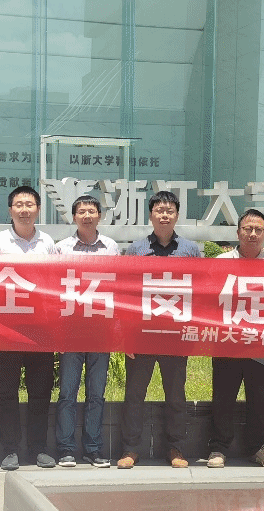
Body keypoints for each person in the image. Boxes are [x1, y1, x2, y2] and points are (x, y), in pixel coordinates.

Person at [118, 190, 204, 469]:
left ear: (177, 215)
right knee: (134, 394)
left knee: (176, 395)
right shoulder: (136, 249)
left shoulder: (190, 250)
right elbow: (125, 293)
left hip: (176, 334)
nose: (164, 215)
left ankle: (176, 448)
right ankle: (130, 448)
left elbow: (201, 292)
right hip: (141, 334)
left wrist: (194, 332)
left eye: (169, 211)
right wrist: (126, 336)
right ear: (151, 215)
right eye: (159, 210)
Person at [0, 185, 57, 470]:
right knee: (7, 390)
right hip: (7, 326)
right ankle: (10, 449)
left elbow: (55, 282)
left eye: (29, 205)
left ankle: (38, 448)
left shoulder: (47, 242)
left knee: (40, 390)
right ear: (10, 210)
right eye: (19, 205)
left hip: (41, 328)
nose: (24, 210)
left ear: (38, 209)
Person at [207, 209, 264, 468]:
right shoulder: (220, 263)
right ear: (238, 232)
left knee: (258, 397)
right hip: (227, 341)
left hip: (261, 344)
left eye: (258, 230)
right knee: (223, 396)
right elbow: (208, 300)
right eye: (248, 229)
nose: (253, 234)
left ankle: (258, 447)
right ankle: (218, 447)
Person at [51, 195, 120, 468]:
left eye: (91, 211)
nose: (87, 216)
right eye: (81, 211)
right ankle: (66, 449)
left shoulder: (111, 247)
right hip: (70, 330)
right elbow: (52, 289)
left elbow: (119, 289)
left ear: (100, 215)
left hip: (101, 331)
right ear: (74, 217)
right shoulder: (61, 249)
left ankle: (93, 448)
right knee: (67, 393)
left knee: (96, 394)